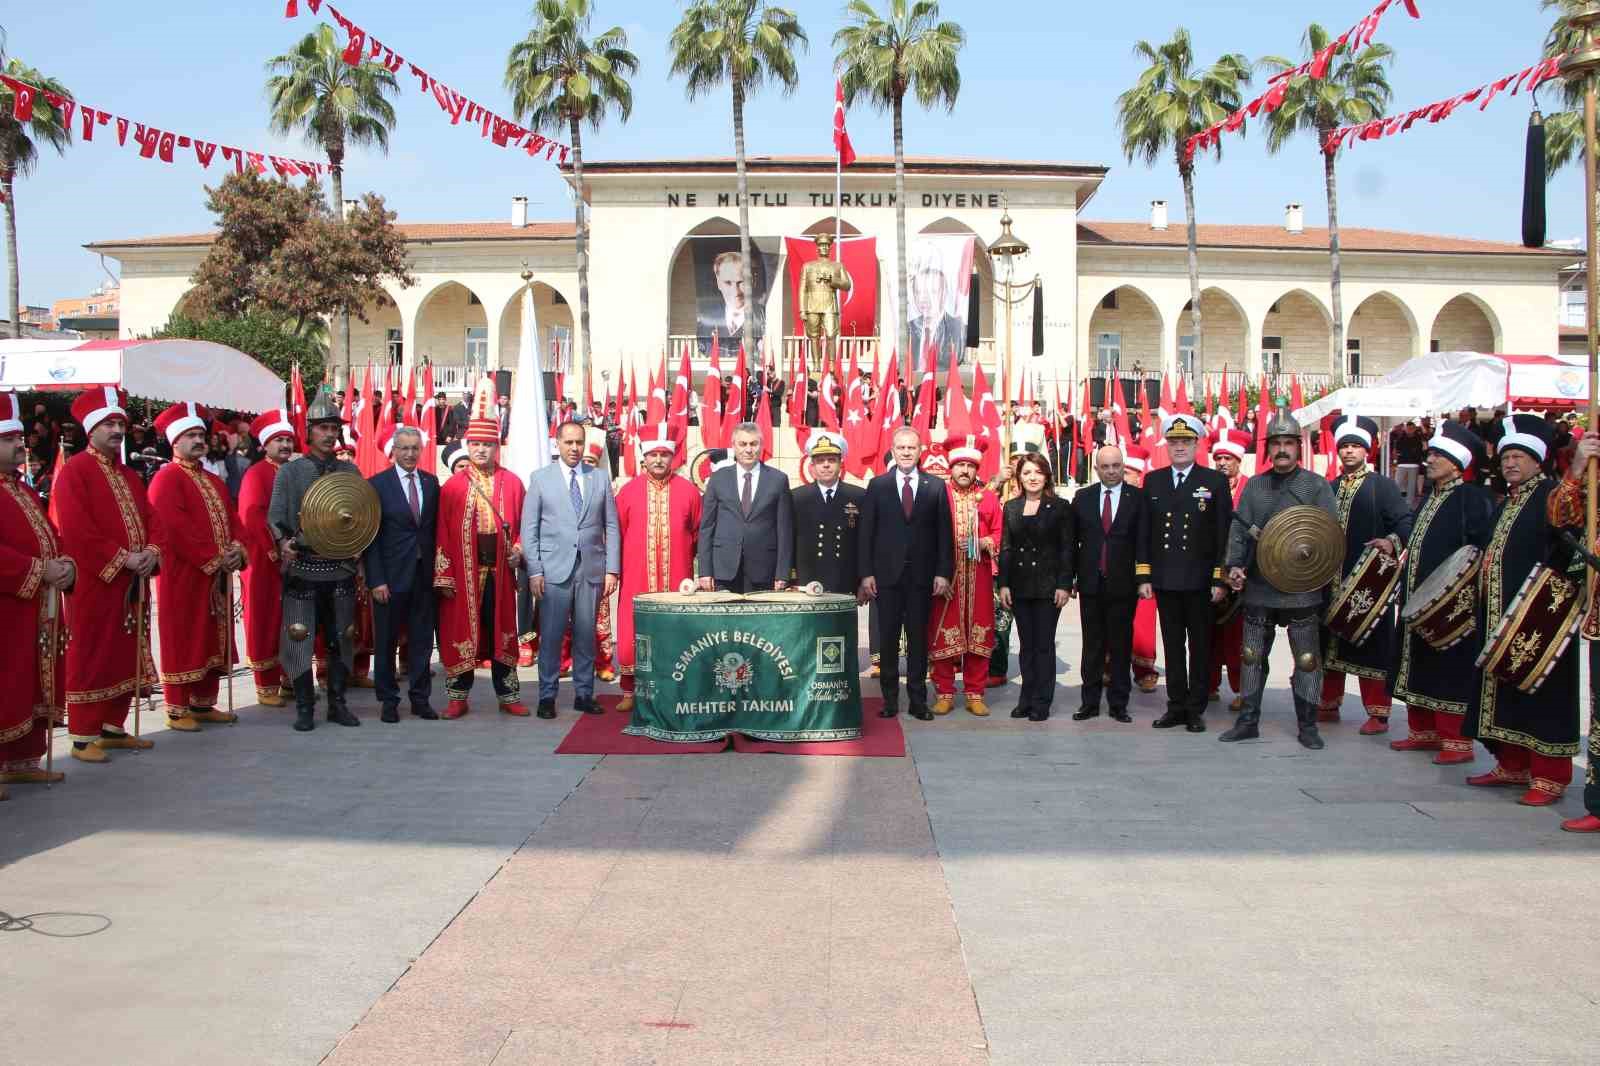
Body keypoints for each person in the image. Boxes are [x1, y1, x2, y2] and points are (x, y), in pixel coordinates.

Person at [1462, 415, 1581, 805]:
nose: (1510, 463)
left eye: (1519, 457)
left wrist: (1579, 468)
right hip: (1499, 612)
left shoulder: (1551, 494)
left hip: (1540, 615)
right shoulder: (1509, 500)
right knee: (1503, 690)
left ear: (1537, 460)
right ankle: (1512, 764)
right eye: (1506, 457)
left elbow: (1569, 531)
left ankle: (1549, 776)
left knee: (1543, 693)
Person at [1219, 407, 1340, 748]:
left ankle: (1308, 726)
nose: (1282, 449)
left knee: (1307, 659)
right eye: (1276, 443)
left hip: (1302, 586)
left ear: (1298, 446)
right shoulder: (1256, 486)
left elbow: (1329, 535)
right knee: (1251, 655)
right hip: (1260, 584)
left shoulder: (1316, 486)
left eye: (1288, 443)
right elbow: (1239, 530)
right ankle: (1248, 721)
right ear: (1268, 448)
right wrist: (1235, 566)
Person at [56, 387, 163, 762]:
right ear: (91, 429)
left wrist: (151, 552)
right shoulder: (75, 471)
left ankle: (112, 726)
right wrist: (123, 559)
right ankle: (83, 735)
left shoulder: (130, 475)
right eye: (109, 424)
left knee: (125, 652)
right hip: (96, 582)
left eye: (120, 423)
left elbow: (152, 519)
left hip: (131, 583)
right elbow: (77, 530)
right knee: (92, 653)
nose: (117, 430)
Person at [1388, 421, 1495, 762]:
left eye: (1437, 455)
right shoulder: (1430, 496)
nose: (1429, 460)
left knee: (1449, 667)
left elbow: (1480, 549)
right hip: (1418, 597)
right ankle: (1423, 731)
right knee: (1418, 661)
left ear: (1457, 464)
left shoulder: (1471, 498)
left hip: (1452, 604)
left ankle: (1456, 742)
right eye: (1430, 453)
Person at [268, 386, 364, 733]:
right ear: (309, 431)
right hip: (304, 567)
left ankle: (337, 704)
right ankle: (305, 706)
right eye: (323, 427)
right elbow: (276, 517)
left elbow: (363, 515)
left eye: (334, 428)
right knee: (299, 637)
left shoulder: (350, 473)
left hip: (340, 567)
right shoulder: (290, 472)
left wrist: (359, 547)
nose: (329, 434)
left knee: (342, 637)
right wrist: (284, 542)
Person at [148, 403, 247, 733]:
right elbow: (174, 528)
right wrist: (214, 558)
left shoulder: (213, 480)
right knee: (184, 637)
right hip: (184, 575)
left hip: (216, 575)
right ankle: (177, 708)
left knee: (211, 638)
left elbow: (234, 520)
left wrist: (237, 549)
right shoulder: (166, 478)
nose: (198, 440)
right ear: (175, 441)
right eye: (190, 435)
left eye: (200, 434)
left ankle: (204, 702)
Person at [435, 382, 528, 719]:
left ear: (496, 447)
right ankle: (458, 697)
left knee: (503, 632)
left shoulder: (513, 483)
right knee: (461, 631)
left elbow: (523, 526)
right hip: (465, 571)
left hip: (500, 571)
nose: (480, 450)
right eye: (475, 444)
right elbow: (442, 533)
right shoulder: (453, 486)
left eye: (487, 444)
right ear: (467, 445)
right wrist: (444, 576)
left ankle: (508, 695)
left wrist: (518, 550)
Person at [1318, 416, 1414, 733]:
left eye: (1355, 446)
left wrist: (1391, 541)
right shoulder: (1329, 488)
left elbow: (1405, 521)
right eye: (1344, 446)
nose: (1349, 451)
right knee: (1328, 644)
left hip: (1369, 583)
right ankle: (1327, 703)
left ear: (1367, 450)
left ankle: (1378, 713)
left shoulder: (1382, 486)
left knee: (1371, 646)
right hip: (1329, 579)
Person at [0, 392, 73, 791]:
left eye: (18, 437)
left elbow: (49, 534)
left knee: (29, 681)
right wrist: (38, 569)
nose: (19, 445)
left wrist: (64, 562)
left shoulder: (22, 490)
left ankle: (21, 759)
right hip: (7, 604)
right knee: (6, 680)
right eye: (9, 439)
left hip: (35, 606)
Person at [523, 419, 619, 718]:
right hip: (554, 571)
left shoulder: (599, 478)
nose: (575, 448)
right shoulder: (541, 479)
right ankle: (547, 696)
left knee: (585, 634)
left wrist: (612, 569)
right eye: (569, 442)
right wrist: (535, 570)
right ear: (558, 443)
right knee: (551, 636)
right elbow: (530, 529)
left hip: (590, 568)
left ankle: (584, 693)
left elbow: (611, 526)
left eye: (579, 442)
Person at [1144, 413, 1232, 732]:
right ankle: (1176, 705)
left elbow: (1224, 534)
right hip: (1166, 579)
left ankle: (1195, 708)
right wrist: (1144, 576)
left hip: (1200, 581)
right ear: (1166, 446)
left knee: (1200, 646)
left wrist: (1220, 578)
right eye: (1174, 442)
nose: (1179, 447)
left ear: (1197, 445)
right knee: (1172, 646)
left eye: (1185, 441)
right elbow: (1146, 533)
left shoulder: (1214, 481)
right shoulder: (1154, 481)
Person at [859, 426, 954, 721]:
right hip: (886, 577)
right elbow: (866, 533)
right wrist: (866, 573)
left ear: (920, 450)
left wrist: (943, 573)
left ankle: (917, 701)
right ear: (893, 450)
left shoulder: (935, 486)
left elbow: (945, 534)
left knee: (918, 641)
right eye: (901, 448)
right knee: (887, 640)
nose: (906, 452)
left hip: (922, 578)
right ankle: (890, 700)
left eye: (911, 447)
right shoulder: (878, 485)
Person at [615, 423, 702, 713]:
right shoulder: (627, 492)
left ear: (672, 457)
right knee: (633, 632)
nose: (659, 460)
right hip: (636, 576)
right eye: (653, 454)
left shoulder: (689, 492)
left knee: (676, 634)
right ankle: (630, 690)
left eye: (664, 454)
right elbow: (617, 533)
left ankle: (675, 689)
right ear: (644, 457)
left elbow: (698, 532)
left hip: (677, 579)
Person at [365, 425, 440, 723]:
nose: (410, 454)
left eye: (414, 448)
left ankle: (420, 699)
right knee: (386, 642)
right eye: (404, 448)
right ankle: (388, 700)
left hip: (424, 575)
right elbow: (370, 538)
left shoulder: (431, 483)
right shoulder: (377, 485)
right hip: (390, 578)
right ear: (394, 451)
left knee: (422, 641)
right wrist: (376, 579)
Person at [1070, 444, 1150, 723]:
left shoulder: (1137, 498)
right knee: (1092, 645)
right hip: (1091, 583)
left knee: (1120, 644)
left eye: (1116, 466)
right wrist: (1071, 578)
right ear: (1096, 469)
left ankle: (1118, 703)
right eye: (1105, 467)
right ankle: (1089, 702)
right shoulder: (1083, 497)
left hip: (1124, 584)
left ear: (1123, 466)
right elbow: (1072, 543)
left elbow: (1143, 541)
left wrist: (1144, 578)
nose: (1112, 471)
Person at [928, 435, 1002, 717]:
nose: (965, 471)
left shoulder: (988, 497)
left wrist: (984, 542)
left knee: (979, 634)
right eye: (960, 465)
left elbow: (1000, 533)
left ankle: (975, 693)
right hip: (946, 579)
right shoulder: (939, 495)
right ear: (951, 467)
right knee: (943, 634)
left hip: (979, 577)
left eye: (970, 466)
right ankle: (944, 693)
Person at [998, 453, 1072, 722]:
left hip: (1048, 587)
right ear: (1019, 477)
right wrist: (1003, 584)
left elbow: (1067, 549)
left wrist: (1064, 584)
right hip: (1019, 586)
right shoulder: (1011, 507)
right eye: (1027, 472)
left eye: (1038, 472)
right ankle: (1026, 698)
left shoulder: (1060, 507)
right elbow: (1006, 548)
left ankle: (1042, 701)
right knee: (1026, 645)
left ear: (1047, 476)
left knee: (1043, 645)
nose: (1032, 477)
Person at [236, 410, 295, 707]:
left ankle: (289, 677)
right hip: (264, 559)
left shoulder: (293, 472)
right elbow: (252, 516)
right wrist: (276, 550)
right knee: (265, 620)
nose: (285, 445)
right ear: (265, 445)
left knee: (291, 620)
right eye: (278, 440)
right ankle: (265, 685)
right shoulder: (256, 474)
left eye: (288, 440)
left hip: (292, 557)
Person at [697, 421, 794, 593]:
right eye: (743, 444)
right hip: (724, 568)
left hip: (764, 570)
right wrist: (705, 571)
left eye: (753, 444)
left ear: (761, 446)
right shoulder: (718, 478)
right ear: (733, 446)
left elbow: (784, 530)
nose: (748, 449)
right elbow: (707, 527)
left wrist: (782, 573)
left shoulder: (778, 480)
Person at [1207, 429, 1252, 711]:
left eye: (1228, 458)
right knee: (1207, 635)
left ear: (1238, 460)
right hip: (1211, 573)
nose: (1222, 463)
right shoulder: (1206, 487)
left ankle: (1242, 690)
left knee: (1239, 639)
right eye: (1218, 458)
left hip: (1242, 575)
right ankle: (1208, 684)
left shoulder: (1252, 489)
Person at [790, 431, 863, 595]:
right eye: (820, 461)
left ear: (840, 464)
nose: (826, 465)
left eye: (831, 460)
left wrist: (863, 579)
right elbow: (789, 540)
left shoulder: (859, 496)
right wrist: (790, 578)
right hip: (807, 580)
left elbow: (864, 542)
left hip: (845, 579)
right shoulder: (797, 497)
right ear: (812, 466)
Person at [1121, 444, 1161, 692]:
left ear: (1138, 476)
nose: (1121, 477)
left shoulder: (1150, 500)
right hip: (1116, 568)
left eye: (1126, 472)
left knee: (1143, 623)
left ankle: (1144, 669)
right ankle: (1109, 666)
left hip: (1145, 568)